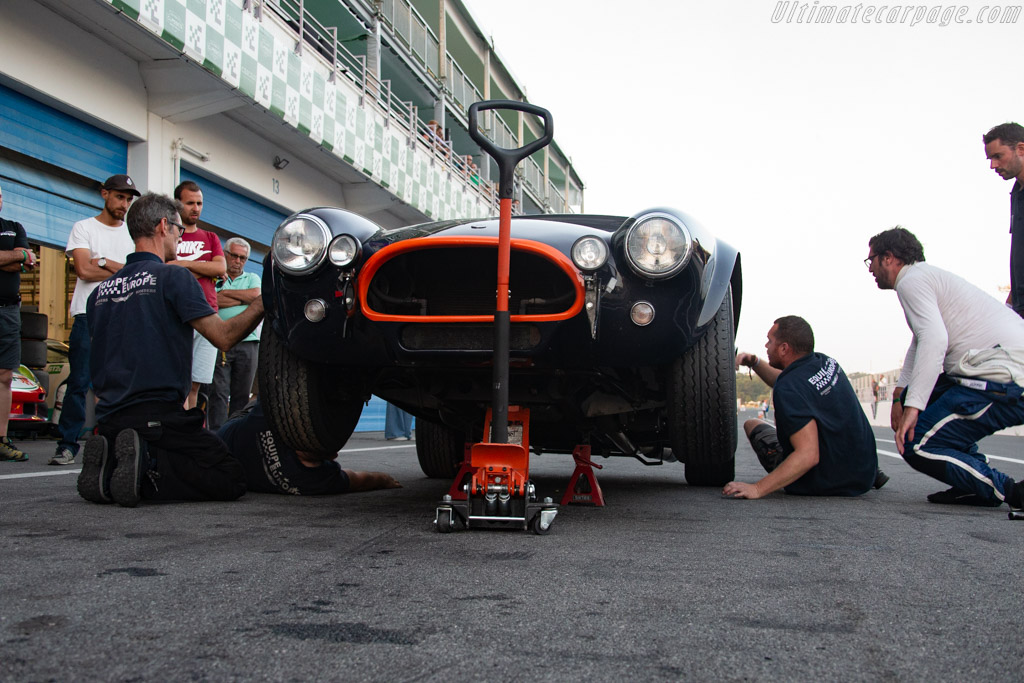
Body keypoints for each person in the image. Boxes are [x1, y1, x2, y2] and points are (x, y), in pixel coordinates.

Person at [75, 192, 263, 508]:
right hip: (158, 416)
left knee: (171, 443)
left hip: (108, 417)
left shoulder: (100, 293)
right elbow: (223, 337)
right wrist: (263, 301)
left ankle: (112, 458)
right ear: (164, 226)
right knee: (229, 475)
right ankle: (145, 466)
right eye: (178, 229)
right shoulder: (172, 276)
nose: (180, 236)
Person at [866, 226, 1024, 511]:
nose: (870, 270)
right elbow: (920, 340)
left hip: (1006, 379)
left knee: (915, 444)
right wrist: (902, 393)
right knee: (928, 414)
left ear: (888, 257)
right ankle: (974, 483)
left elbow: (935, 339)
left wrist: (912, 407)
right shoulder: (925, 277)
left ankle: (1009, 491)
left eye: (871, 261)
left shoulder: (910, 281)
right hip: (999, 372)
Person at [725, 316, 882, 499]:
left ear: (784, 348)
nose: (766, 346)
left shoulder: (789, 389)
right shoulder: (826, 363)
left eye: (770, 341)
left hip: (828, 481)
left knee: (752, 425)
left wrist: (758, 488)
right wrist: (755, 362)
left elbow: (808, 455)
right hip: (863, 472)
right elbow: (785, 381)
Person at [50, 174, 140, 466]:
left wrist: (102, 261)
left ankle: (114, 444)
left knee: (120, 384)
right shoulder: (83, 228)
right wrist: (121, 269)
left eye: (128, 199)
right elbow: (84, 272)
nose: (124, 204)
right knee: (79, 382)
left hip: (123, 317)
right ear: (104, 194)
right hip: (88, 314)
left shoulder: (133, 235)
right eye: (119, 197)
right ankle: (67, 445)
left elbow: (137, 273)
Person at [218, 400, 401, 495]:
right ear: (333, 456)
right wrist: (384, 479)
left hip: (226, 448)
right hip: (229, 460)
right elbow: (361, 480)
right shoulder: (316, 480)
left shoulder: (268, 420)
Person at [170, 181, 225, 410]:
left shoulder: (210, 237)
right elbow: (166, 266)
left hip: (207, 315)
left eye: (199, 203)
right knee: (176, 380)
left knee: (195, 385)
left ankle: (189, 434)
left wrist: (184, 264)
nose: (196, 208)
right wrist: (203, 265)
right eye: (190, 203)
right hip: (176, 314)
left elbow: (219, 269)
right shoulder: (169, 235)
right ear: (177, 204)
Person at [0, 183, 38, 462]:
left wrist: (20, 257)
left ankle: (1, 439)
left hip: (8, 312)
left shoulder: (14, 226)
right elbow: (20, 258)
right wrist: (17, 255)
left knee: (3, 377)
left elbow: (27, 262)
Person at [207, 237, 261, 431]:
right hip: (220, 341)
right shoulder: (216, 277)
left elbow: (256, 296)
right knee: (218, 392)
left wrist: (227, 295)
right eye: (235, 256)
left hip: (248, 343)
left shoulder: (253, 278)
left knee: (242, 394)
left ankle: (236, 433)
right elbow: (214, 300)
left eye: (243, 258)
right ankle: (217, 435)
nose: (238, 261)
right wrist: (242, 300)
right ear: (225, 255)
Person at [982, 122, 1024, 316]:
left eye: (998, 156)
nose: (993, 165)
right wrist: (1009, 307)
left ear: (1021, 149)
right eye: (990, 159)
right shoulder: (1016, 193)